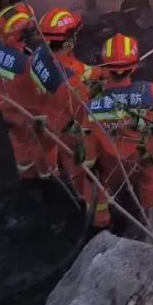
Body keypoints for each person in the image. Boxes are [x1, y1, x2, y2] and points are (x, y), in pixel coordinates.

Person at [29, 16, 112, 230]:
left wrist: (100, 72)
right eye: (73, 34)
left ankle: (47, 177)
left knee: (47, 152)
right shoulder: (70, 84)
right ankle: (98, 221)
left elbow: (77, 69)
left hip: (43, 118)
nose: (77, 37)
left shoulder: (40, 54)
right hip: (66, 127)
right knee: (84, 168)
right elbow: (88, 108)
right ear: (66, 41)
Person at [88, 33, 153, 237]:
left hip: (111, 165)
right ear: (134, 67)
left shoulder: (92, 97)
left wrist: (91, 162)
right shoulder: (148, 91)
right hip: (143, 159)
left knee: (102, 187)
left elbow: (86, 139)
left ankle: (101, 225)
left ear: (105, 68)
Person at [0, 3, 54, 181]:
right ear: (17, 34)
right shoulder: (25, 64)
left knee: (19, 142)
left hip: (5, 109)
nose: (32, 32)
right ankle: (46, 175)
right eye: (27, 30)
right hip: (30, 112)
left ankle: (26, 173)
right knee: (43, 143)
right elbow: (46, 88)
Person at [38, 7, 100, 87]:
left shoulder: (39, 51)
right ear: (67, 43)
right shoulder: (70, 72)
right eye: (74, 34)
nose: (76, 36)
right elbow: (91, 73)